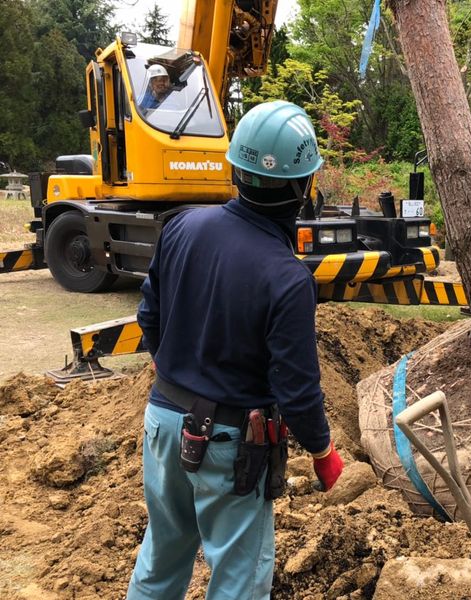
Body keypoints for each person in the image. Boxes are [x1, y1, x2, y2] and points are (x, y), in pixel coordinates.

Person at [127, 100, 344, 600]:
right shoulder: (287, 277)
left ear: (236, 169)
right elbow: (296, 388)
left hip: (161, 422)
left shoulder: (182, 226)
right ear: (301, 186)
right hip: (228, 443)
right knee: (239, 583)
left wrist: (176, 377)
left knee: (161, 558)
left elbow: (148, 317)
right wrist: (322, 451)